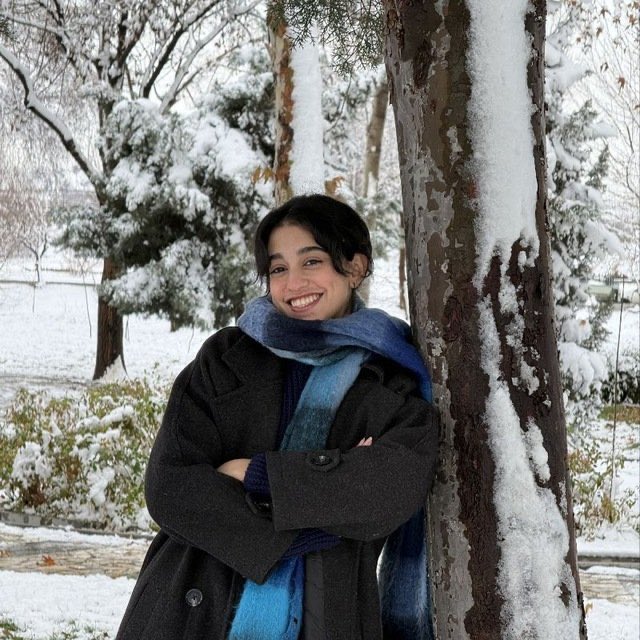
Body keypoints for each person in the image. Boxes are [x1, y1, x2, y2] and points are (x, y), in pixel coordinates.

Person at [115, 194, 439, 640]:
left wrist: (256, 474)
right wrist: (323, 507)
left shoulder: (391, 380)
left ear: (355, 267)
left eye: (312, 262)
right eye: (278, 268)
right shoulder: (225, 359)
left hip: (328, 618)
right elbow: (170, 488)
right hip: (189, 612)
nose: (292, 283)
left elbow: (391, 489)